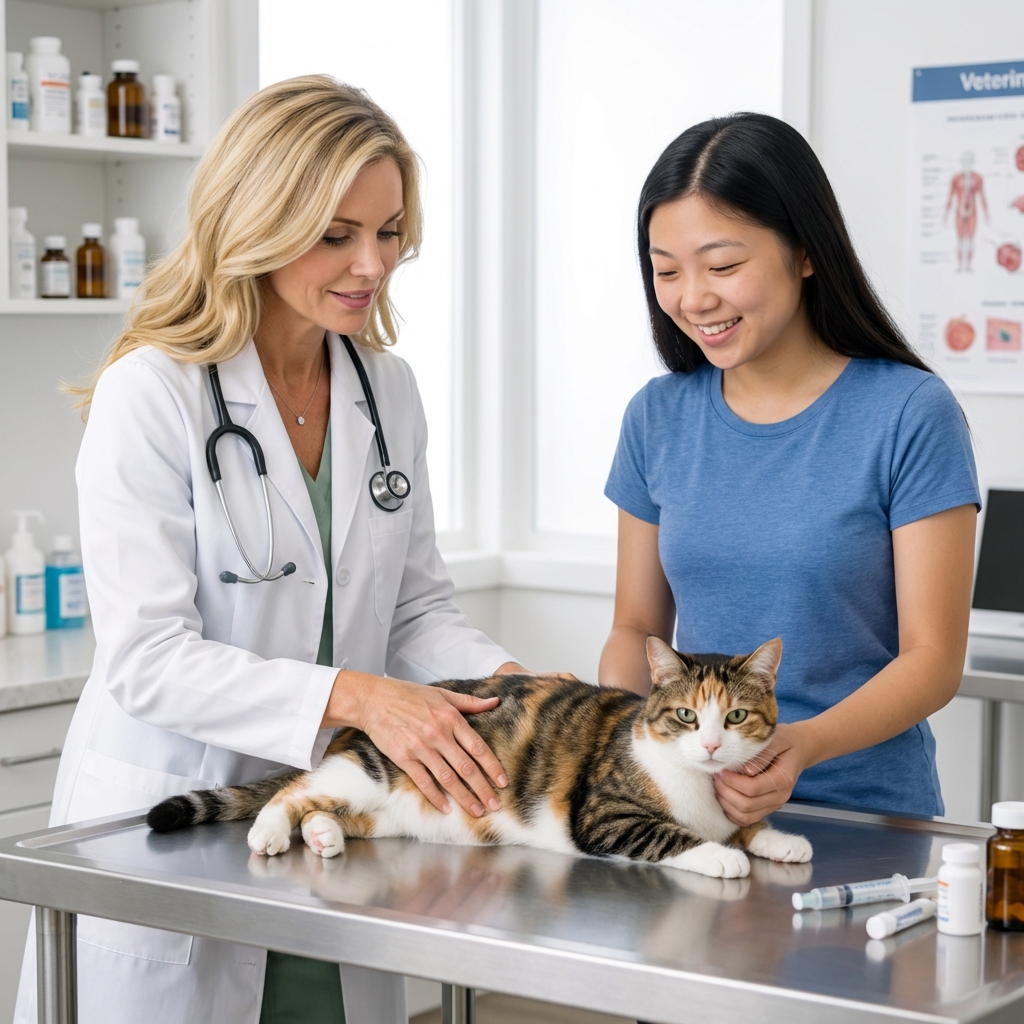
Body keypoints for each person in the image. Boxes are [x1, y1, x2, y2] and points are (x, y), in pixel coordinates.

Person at [15, 76, 543, 1024]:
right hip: (184, 819)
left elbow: (416, 608)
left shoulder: (388, 390)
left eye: (388, 233)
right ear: (254, 219)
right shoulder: (156, 394)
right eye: (336, 234)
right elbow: (147, 660)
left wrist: (525, 690)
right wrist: (361, 698)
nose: (372, 264)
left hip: (337, 818)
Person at [600, 113, 979, 825]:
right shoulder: (657, 417)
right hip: (694, 816)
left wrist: (798, 745)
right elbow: (634, 627)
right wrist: (634, 743)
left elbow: (933, 659)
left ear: (805, 253)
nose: (692, 298)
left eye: (721, 266)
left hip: (861, 814)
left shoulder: (909, 412)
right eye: (666, 270)